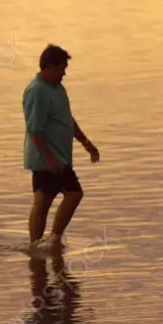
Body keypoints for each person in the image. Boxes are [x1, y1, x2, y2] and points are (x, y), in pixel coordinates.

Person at [23, 44, 99, 246]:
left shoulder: (58, 88)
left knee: (45, 199)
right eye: (61, 68)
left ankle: (42, 246)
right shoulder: (36, 91)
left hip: (60, 156)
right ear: (49, 67)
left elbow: (66, 119)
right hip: (46, 157)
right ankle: (46, 241)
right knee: (69, 195)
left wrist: (86, 143)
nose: (64, 73)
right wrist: (49, 159)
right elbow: (34, 130)